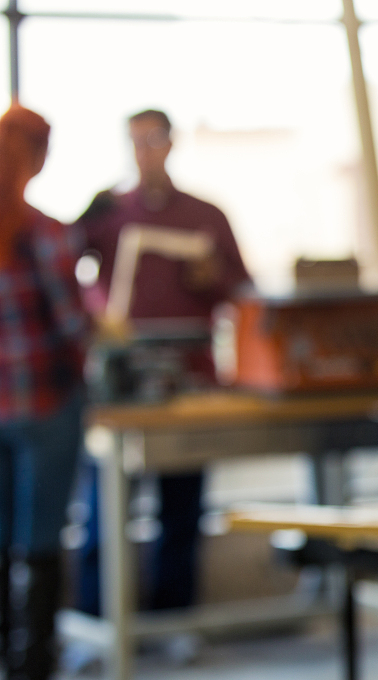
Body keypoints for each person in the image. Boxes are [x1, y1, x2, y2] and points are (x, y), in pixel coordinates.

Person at [75, 109, 252, 614]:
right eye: (134, 141)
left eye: (152, 140)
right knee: (102, 514)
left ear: (171, 144)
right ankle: (98, 621)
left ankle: (174, 620)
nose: (143, 150)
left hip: (188, 383)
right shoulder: (109, 213)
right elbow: (60, 270)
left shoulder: (205, 215)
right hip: (121, 385)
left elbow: (242, 290)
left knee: (182, 510)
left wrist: (210, 278)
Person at [0, 104, 92, 680]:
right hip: (46, 409)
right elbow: (71, 328)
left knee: (4, 547)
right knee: (40, 548)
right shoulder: (43, 232)